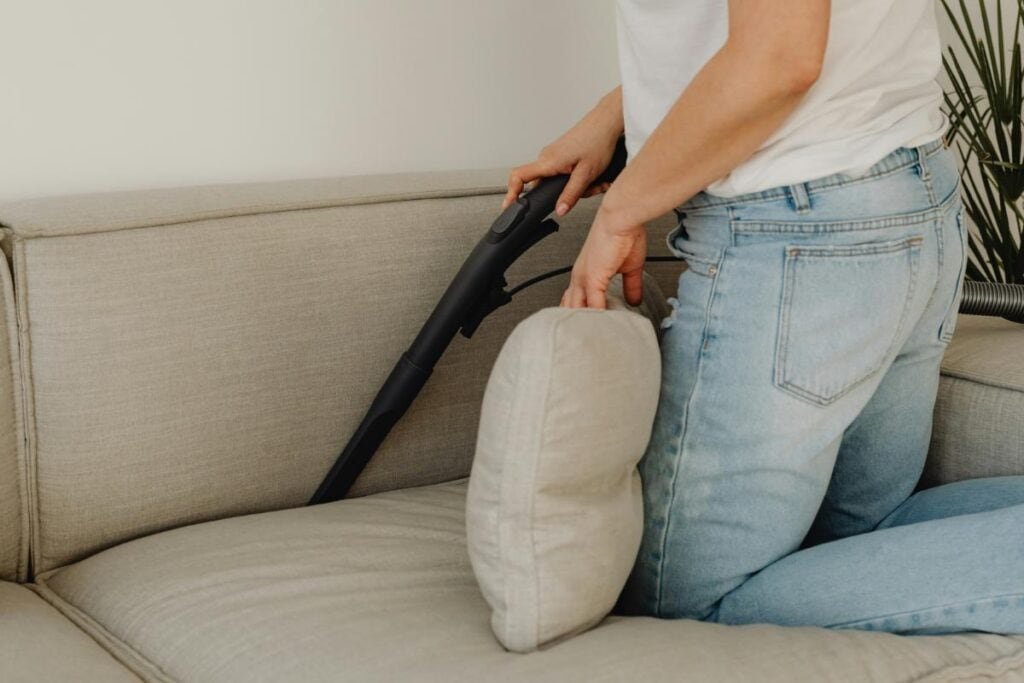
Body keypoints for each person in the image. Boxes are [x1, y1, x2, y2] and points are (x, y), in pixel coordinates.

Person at [503, 0, 1024, 634]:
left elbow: (780, 58)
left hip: (802, 230)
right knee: (857, 533)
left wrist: (623, 211)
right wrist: (619, 115)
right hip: (902, 194)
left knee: (686, 600)